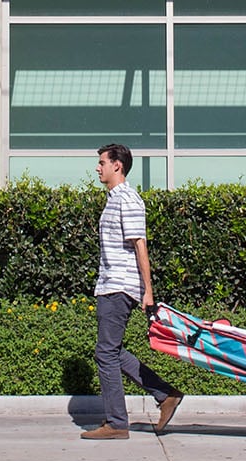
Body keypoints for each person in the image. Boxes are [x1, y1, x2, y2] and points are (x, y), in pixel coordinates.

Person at [81, 143, 183, 440]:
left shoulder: (128, 199)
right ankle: (165, 395)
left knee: (105, 353)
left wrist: (148, 291)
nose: (97, 168)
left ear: (117, 166)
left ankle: (117, 423)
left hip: (120, 287)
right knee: (109, 351)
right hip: (111, 284)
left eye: (102, 162)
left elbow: (141, 245)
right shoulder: (114, 199)